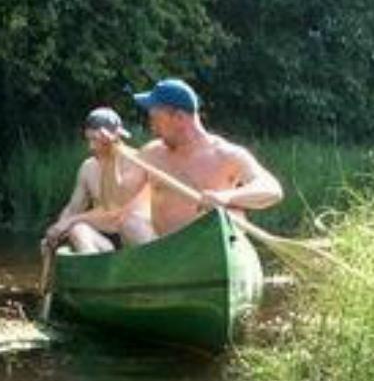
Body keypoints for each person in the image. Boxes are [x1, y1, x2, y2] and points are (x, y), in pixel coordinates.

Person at [124, 78, 283, 236]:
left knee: (234, 214)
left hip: (211, 247)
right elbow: (116, 199)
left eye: (156, 119)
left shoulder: (227, 154)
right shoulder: (152, 153)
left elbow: (272, 189)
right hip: (168, 251)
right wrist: (108, 158)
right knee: (131, 224)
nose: (152, 127)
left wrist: (225, 197)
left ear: (179, 118)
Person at [42, 107, 155, 254]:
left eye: (96, 140)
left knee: (128, 223)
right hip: (105, 241)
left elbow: (116, 211)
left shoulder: (135, 162)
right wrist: (55, 232)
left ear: (114, 137)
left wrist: (71, 220)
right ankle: (95, 270)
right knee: (78, 229)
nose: (91, 147)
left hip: (134, 235)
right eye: (88, 139)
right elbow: (73, 208)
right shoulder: (88, 167)